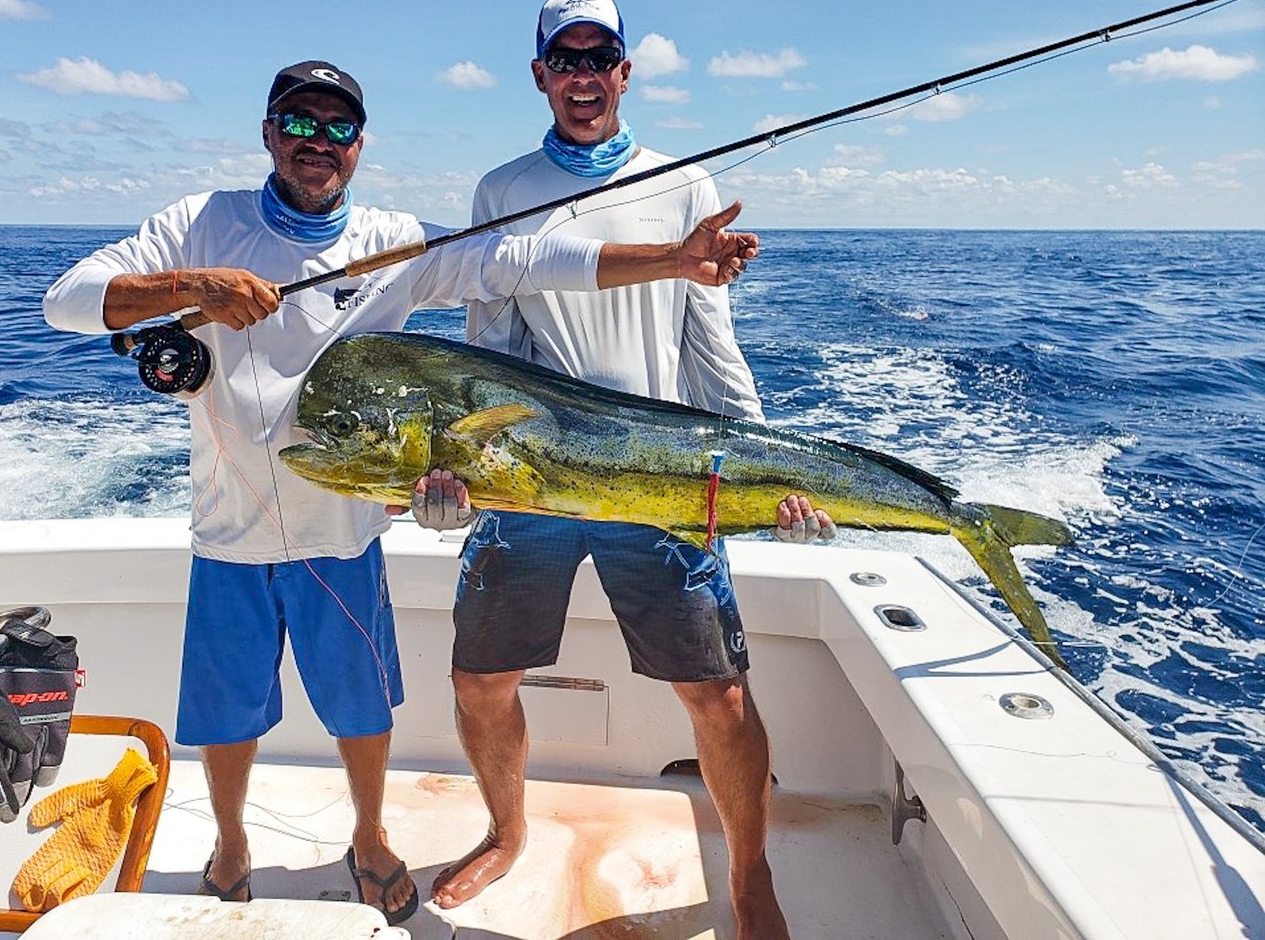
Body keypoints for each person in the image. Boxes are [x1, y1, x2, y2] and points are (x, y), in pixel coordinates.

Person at [41, 59, 758, 926]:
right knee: (226, 713)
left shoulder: (391, 242)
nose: (318, 142)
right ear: (269, 131)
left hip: (341, 528)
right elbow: (67, 301)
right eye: (300, 122)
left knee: (359, 705)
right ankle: (229, 842)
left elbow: (521, 261)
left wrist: (671, 261)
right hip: (227, 529)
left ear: (359, 146)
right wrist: (190, 287)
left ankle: (372, 839)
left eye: (338, 128)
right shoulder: (202, 224)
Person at [419, 0, 833, 940]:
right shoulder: (500, 190)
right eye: (562, 59)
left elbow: (708, 343)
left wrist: (770, 469)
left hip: (660, 476)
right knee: (481, 681)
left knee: (717, 693)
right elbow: (492, 348)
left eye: (596, 56)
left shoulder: (683, 180)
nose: (581, 75)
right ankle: (505, 831)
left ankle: (749, 878)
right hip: (531, 477)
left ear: (623, 70)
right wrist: (465, 480)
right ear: (538, 76)